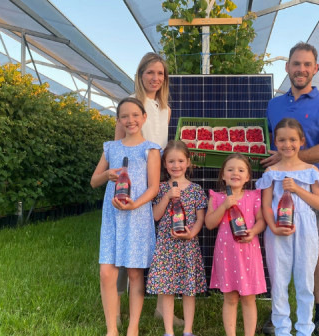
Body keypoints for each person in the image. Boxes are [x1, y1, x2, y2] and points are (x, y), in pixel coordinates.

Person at [261, 42, 319, 336]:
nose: (301, 69)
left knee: (316, 251)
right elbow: (274, 144)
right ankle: (278, 314)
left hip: (310, 188)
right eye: (296, 64)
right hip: (279, 187)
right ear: (287, 67)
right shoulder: (274, 105)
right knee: (278, 251)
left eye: (307, 64)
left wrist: (292, 159)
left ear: (315, 68)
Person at [114, 52, 182, 326]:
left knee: (159, 245)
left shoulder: (165, 109)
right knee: (124, 246)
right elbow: (118, 147)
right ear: (140, 74)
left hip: (155, 183)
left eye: (160, 74)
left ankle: (160, 308)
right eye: (150, 72)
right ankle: (117, 311)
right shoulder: (131, 104)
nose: (155, 78)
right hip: (131, 184)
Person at [90, 97, 161, 336]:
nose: (130, 120)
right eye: (124, 116)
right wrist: (108, 173)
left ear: (144, 118)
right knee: (106, 271)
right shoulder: (111, 147)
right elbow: (93, 181)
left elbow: (153, 188)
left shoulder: (150, 150)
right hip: (112, 216)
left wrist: (135, 205)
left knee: (134, 272)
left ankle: (133, 327)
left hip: (138, 216)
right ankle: (112, 328)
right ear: (118, 120)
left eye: (134, 115)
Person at [257, 118, 319, 336]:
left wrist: (297, 189)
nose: (287, 145)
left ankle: (305, 328)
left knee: (305, 278)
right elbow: (266, 205)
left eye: (292, 140)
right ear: (275, 142)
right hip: (278, 229)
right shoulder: (271, 173)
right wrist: (272, 226)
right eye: (282, 140)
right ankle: (281, 328)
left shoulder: (311, 171)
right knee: (278, 279)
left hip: (306, 227)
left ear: (302, 141)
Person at [146, 140, 207, 336]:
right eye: (171, 161)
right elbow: (155, 216)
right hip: (166, 246)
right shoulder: (160, 188)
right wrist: (167, 197)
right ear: (165, 164)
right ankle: (169, 331)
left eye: (180, 161)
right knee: (167, 288)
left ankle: (188, 330)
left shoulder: (196, 190)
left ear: (188, 162)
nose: (176, 165)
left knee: (188, 290)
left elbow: (200, 218)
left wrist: (192, 232)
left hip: (188, 245)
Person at [205, 153, 267, 336]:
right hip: (226, 254)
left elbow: (261, 220)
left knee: (249, 298)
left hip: (249, 252)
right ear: (223, 175)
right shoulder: (216, 197)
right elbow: (209, 224)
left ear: (248, 177)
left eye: (241, 170)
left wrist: (253, 232)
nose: (235, 173)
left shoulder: (254, 196)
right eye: (230, 169)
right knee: (230, 298)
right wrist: (224, 206)